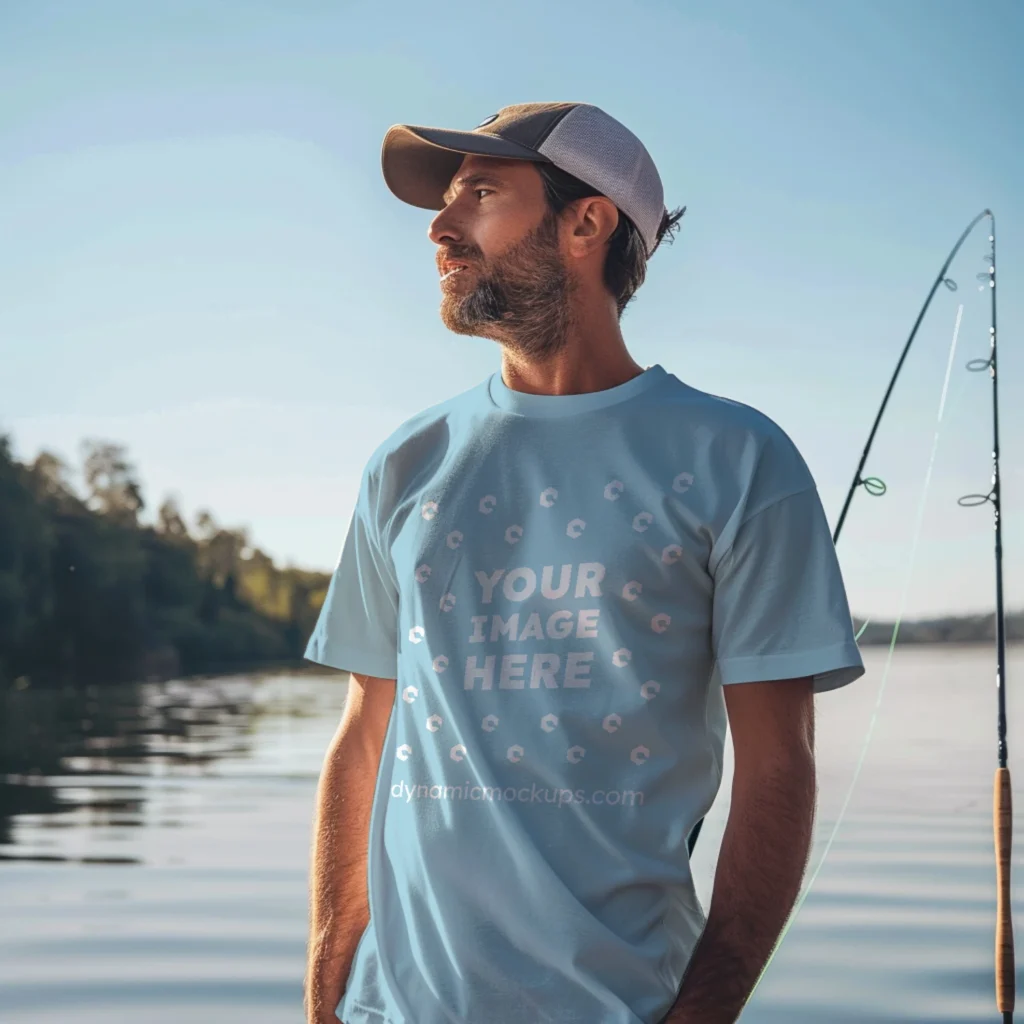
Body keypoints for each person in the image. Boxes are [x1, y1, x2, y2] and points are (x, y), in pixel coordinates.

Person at [303, 101, 865, 1024]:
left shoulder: (737, 460)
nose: (441, 227)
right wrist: (328, 990)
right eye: (446, 202)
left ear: (586, 222)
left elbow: (779, 766)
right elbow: (367, 735)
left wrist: (704, 1011)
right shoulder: (405, 463)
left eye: (480, 194)